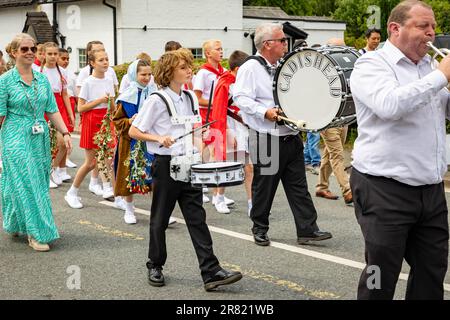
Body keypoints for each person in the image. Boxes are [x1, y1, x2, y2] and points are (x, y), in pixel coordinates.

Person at [350, 0, 450, 300]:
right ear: (395, 28)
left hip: (429, 188)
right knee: (381, 274)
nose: (431, 33)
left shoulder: (429, 67)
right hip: (383, 188)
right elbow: (390, 105)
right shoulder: (370, 65)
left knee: (432, 271)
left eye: (433, 26)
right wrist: (442, 76)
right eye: (423, 26)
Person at [128, 49, 242, 291]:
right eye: (183, 67)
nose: (189, 70)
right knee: (159, 219)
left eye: (189, 66)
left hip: (189, 164)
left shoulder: (190, 97)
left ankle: (211, 272)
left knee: (197, 218)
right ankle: (155, 265)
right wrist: (159, 138)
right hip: (166, 165)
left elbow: (198, 131)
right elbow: (134, 131)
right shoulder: (156, 100)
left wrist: (203, 155)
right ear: (169, 72)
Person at [233, 22, 332, 246]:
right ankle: (259, 227)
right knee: (264, 187)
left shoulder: (284, 64)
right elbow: (240, 97)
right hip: (267, 138)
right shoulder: (251, 67)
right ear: (268, 44)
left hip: (290, 134)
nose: (285, 43)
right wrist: (264, 111)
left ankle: (307, 229)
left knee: (298, 186)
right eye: (281, 40)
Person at [0, 33, 72, 252]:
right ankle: (36, 233)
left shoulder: (42, 79)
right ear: (14, 53)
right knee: (28, 183)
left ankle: (13, 221)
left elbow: (52, 109)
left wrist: (65, 132)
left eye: (32, 48)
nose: (30, 52)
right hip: (14, 136)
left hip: (39, 136)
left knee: (35, 182)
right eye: (24, 49)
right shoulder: (4, 82)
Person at [65, 50, 124, 210]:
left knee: (109, 161)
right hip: (92, 121)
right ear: (92, 63)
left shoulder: (109, 79)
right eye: (101, 60)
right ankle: (72, 192)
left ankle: (117, 197)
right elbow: (81, 108)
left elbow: (112, 108)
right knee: (91, 163)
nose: (105, 62)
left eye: (107, 59)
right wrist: (99, 100)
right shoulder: (88, 82)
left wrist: (111, 103)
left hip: (106, 121)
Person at [210, 50, 254, 215]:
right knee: (226, 165)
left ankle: (252, 203)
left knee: (248, 167)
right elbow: (218, 110)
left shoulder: (245, 82)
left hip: (243, 128)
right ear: (236, 69)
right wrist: (227, 132)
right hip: (228, 127)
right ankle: (219, 197)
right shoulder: (225, 83)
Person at [113, 59, 156, 224]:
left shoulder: (154, 93)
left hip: (150, 141)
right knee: (129, 175)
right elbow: (117, 122)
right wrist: (130, 121)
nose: (146, 78)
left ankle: (157, 212)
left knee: (154, 176)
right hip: (129, 141)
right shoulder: (126, 96)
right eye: (143, 74)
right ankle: (129, 210)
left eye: (149, 74)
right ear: (134, 75)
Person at [194, 39, 234, 208]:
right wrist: (216, 104)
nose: (221, 52)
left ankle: (217, 193)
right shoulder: (203, 73)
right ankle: (210, 190)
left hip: (220, 116)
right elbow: (197, 98)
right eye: (217, 49)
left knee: (218, 153)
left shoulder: (224, 71)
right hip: (206, 117)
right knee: (211, 154)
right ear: (208, 53)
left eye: (222, 48)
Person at [315, 39, 354, 207]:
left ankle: (321, 186)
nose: (342, 51)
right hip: (328, 120)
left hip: (342, 119)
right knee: (337, 155)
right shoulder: (318, 71)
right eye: (339, 48)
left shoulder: (344, 68)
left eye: (343, 48)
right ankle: (347, 190)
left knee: (329, 154)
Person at [39, 42, 75, 188]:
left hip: (59, 105)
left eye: (55, 54)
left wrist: (71, 113)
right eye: (50, 54)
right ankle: (47, 172)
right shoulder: (39, 71)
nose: (53, 57)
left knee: (63, 143)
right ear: (44, 55)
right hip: (44, 106)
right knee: (46, 143)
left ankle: (53, 169)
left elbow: (65, 94)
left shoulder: (62, 71)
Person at [58, 47, 78, 168]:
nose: (66, 61)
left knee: (68, 133)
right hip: (58, 103)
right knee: (60, 136)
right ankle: (58, 163)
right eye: (63, 58)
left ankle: (66, 159)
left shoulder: (71, 74)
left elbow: (75, 93)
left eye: (68, 59)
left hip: (69, 103)